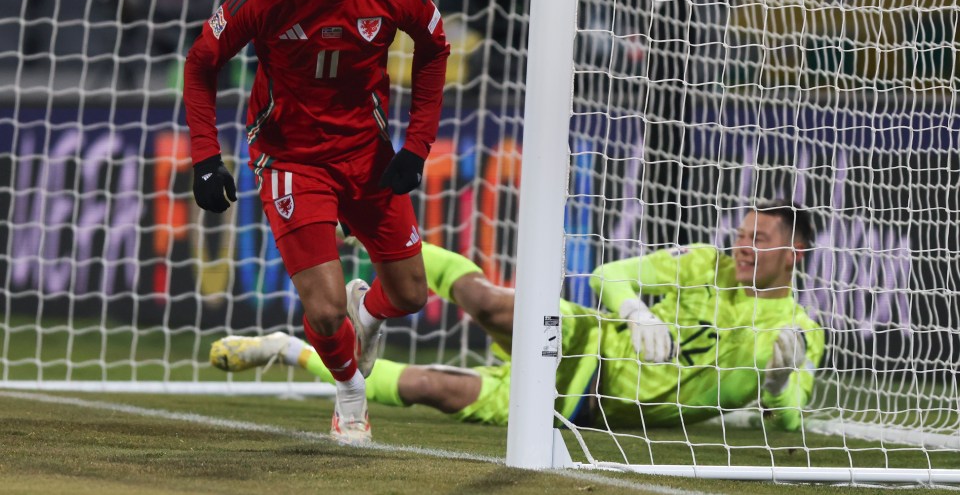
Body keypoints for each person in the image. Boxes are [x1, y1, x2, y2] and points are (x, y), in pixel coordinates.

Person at [183, 0, 450, 444]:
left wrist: (416, 146)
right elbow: (200, 63)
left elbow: (434, 52)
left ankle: (369, 313)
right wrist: (206, 157)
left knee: (408, 295)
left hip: (366, 154)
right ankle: (350, 393)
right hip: (291, 157)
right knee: (325, 311)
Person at [210, 200, 824, 432]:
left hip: (585, 406)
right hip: (585, 341)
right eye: (742, 233)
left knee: (434, 388)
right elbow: (610, 275)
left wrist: (773, 381)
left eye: (760, 239)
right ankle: (369, 239)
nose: (744, 246)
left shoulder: (799, 333)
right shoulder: (705, 265)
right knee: (489, 301)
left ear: (795, 252)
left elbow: (789, 417)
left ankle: (286, 348)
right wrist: (635, 311)